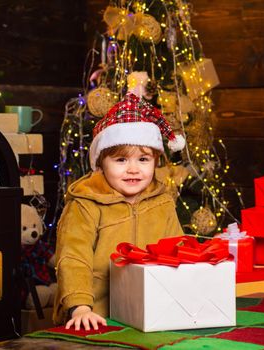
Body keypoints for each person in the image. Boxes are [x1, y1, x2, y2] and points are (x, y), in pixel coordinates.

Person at [53, 73, 186, 331]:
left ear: (156, 162)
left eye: (143, 160)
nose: (133, 169)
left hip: (148, 314)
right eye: (121, 160)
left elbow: (177, 250)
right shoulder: (86, 202)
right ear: (101, 163)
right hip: (95, 316)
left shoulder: (162, 202)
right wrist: (80, 306)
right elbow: (73, 257)